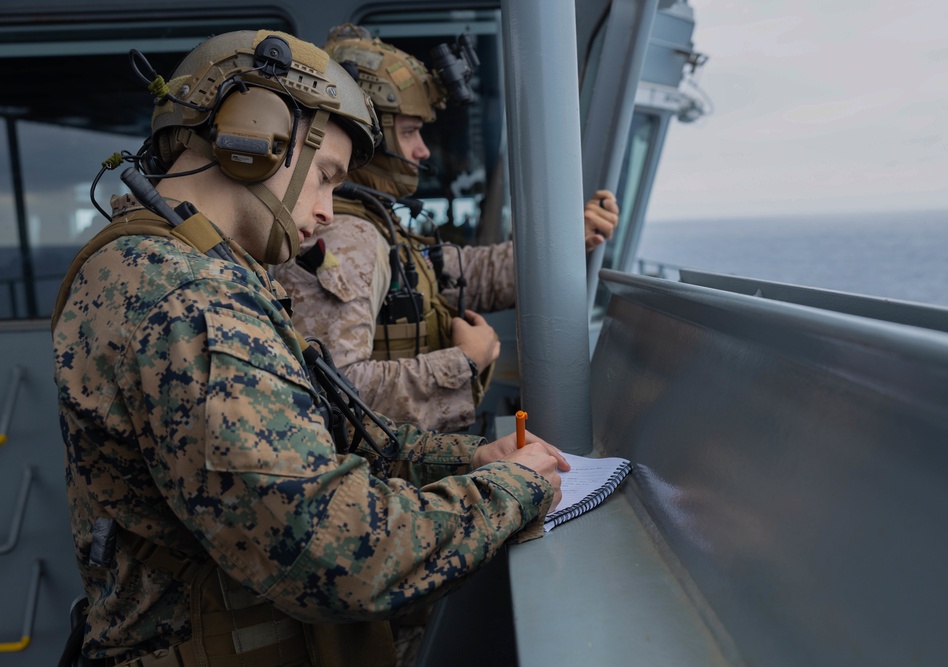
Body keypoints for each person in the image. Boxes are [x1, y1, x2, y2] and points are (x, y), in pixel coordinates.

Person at [52, 30, 566, 667]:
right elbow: (336, 555)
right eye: (325, 177)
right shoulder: (191, 299)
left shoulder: (177, 267)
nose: (328, 211)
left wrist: (466, 460)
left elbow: (327, 443)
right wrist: (507, 492)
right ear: (253, 136)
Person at [272, 24, 620, 433]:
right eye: (408, 132)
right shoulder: (348, 238)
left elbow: (463, 271)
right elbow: (333, 393)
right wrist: (466, 361)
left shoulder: (375, 226)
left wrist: (565, 242)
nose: (422, 150)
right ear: (370, 138)